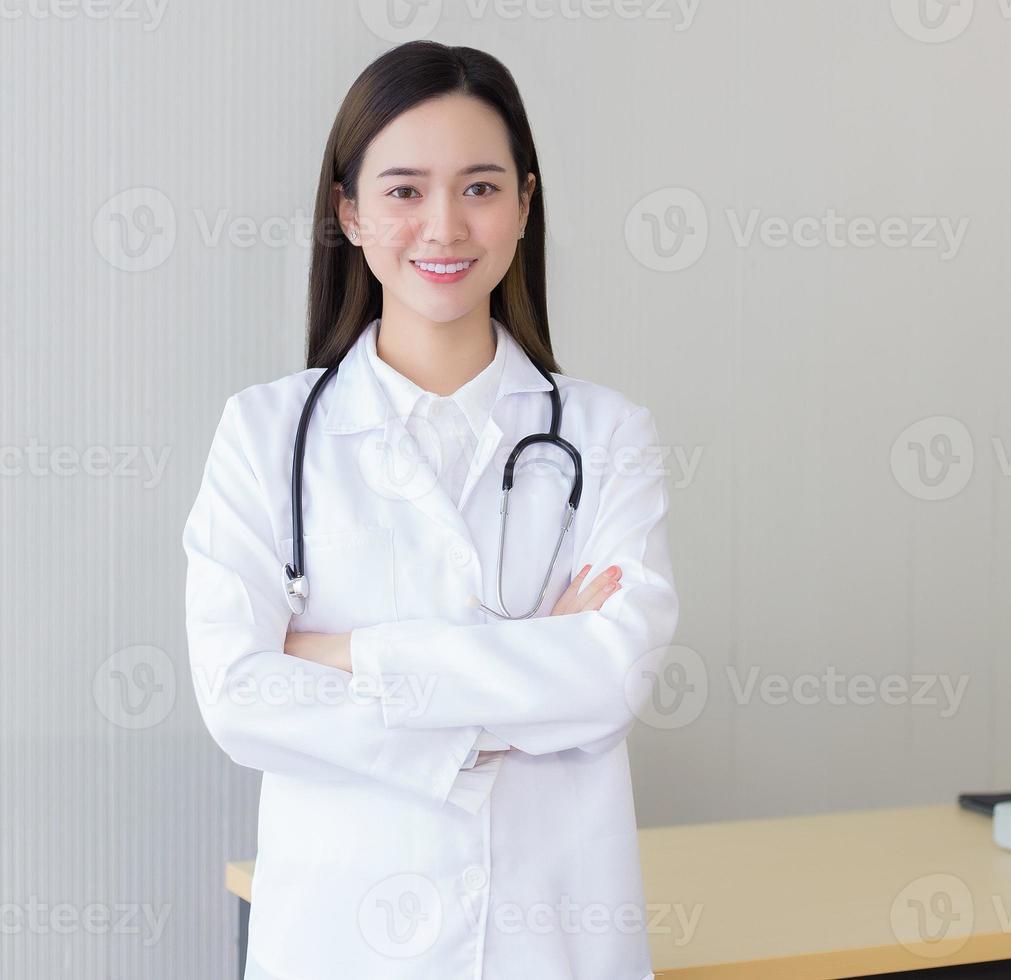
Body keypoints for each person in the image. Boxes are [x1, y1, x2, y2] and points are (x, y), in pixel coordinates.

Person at [181, 40, 678, 979]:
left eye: (481, 188)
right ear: (349, 213)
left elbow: (610, 678)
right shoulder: (262, 433)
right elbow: (239, 699)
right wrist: (528, 674)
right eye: (404, 190)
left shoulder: (609, 436)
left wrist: (339, 653)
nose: (444, 226)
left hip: (551, 940)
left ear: (525, 206)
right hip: (339, 944)